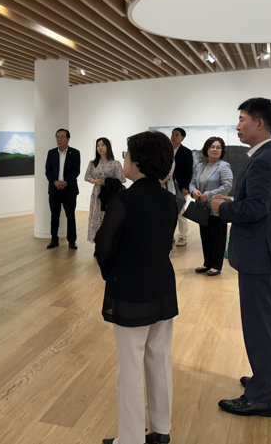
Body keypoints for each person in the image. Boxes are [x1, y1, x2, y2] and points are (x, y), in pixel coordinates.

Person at [95, 131, 177, 444]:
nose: (125, 160)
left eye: (127, 155)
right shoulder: (169, 199)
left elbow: (104, 246)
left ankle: (130, 439)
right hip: (162, 287)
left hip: (131, 291)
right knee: (160, 358)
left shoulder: (123, 200)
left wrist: (111, 272)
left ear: (139, 161)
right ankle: (161, 429)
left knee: (129, 367)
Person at [211, 98, 271, 418]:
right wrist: (233, 201)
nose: (237, 125)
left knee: (259, 327)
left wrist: (223, 208)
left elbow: (255, 208)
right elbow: (261, 202)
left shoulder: (262, 159)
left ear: (259, 123)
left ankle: (259, 397)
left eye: (242, 119)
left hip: (258, 255)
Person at [190, 136, 233, 276]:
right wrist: (193, 191)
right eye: (212, 147)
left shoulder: (224, 166)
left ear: (222, 151)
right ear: (206, 149)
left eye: (218, 147)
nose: (215, 149)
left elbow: (227, 186)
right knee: (205, 237)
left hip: (217, 208)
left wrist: (208, 194)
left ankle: (216, 265)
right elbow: (192, 183)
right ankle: (207, 263)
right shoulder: (200, 166)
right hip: (202, 209)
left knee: (218, 238)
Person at [44, 129, 80, 250]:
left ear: (68, 139)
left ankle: (72, 241)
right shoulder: (51, 153)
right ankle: (54, 240)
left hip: (69, 190)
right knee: (54, 216)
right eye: (58, 137)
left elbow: (76, 170)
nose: (59, 139)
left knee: (70, 215)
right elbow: (48, 170)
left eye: (62, 137)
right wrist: (54, 182)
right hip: (54, 190)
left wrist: (66, 182)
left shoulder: (75, 153)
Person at [85, 138, 125, 244]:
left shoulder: (115, 163)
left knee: (109, 216)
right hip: (97, 194)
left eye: (103, 145)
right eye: (98, 145)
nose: (100, 148)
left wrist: (108, 181)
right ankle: (98, 241)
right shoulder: (93, 163)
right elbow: (87, 177)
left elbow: (120, 180)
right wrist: (96, 181)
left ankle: (110, 241)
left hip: (110, 194)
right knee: (96, 216)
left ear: (108, 147)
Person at [170, 128, 193, 246]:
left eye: (177, 135)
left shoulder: (186, 152)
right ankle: (170, 236)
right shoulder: (166, 151)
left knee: (180, 212)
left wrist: (186, 187)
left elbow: (189, 171)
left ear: (182, 138)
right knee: (169, 212)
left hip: (180, 187)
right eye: (172, 134)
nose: (173, 137)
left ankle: (183, 236)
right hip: (167, 186)